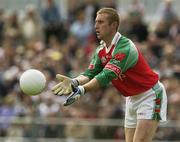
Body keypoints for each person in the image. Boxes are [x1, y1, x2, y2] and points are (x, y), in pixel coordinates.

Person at [52, 8, 167, 142]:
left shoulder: (125, 47)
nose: (96, 26)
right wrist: (74, 82)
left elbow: (106, 76)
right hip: (131, 98)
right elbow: (90, 73)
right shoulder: (101, 49)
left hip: (150, 95)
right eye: (95, 22)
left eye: (101, 22)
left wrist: (82, 90)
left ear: (113, 25)